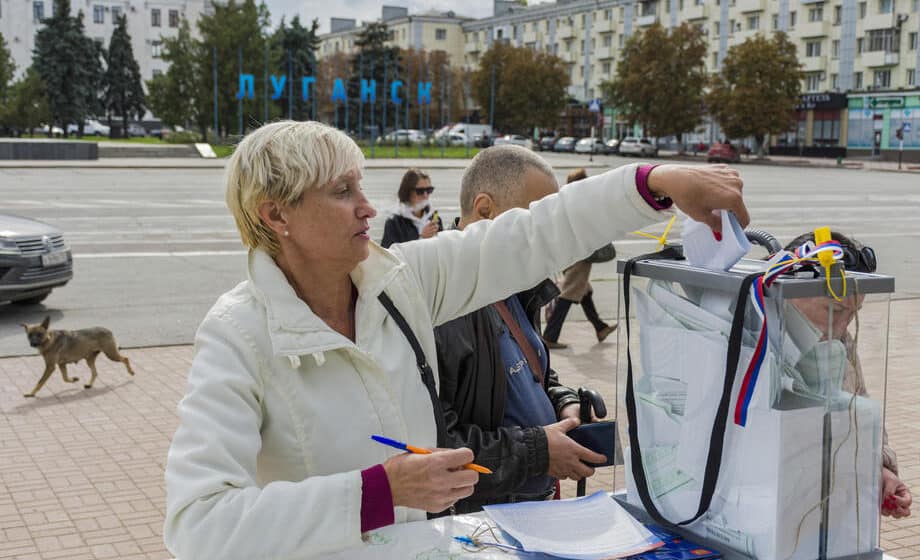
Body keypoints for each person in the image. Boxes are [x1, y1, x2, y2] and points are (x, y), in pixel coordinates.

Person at [162, 119, 749, 559]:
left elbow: (533, 235)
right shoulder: (236, 334)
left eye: (361, 185)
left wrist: (653, 181)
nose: (369, 208)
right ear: (276, 215)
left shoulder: (400, 280)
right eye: (342, 192)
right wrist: (378, 492)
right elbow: (198, 524)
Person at [435, 147, 607, 513]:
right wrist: (539, 452)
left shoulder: (516, 282)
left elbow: (527, 371)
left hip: (530, 508)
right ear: (485, 211)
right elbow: (437, 446)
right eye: (537, 221)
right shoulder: (441, 304)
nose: (548, 237)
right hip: (482, 523)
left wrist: (562, 401)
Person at [783, 231, 911, 520]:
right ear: (789, 289)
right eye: (833, 310)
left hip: (829, 512)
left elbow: (859, 407)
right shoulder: (755, 342)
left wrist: (880, 469)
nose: (841, 326)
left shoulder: (840, 341)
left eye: (852, 314)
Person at [543, 169, 618, 349]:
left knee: (584, 290)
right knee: (570, 291)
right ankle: (549, 336)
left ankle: (600, 328)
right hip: (579, 254)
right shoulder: (579, 202)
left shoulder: (565, 199)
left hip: (569, 252)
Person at [380, 168, 443, 248]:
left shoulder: (435, 218)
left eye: (429, 190)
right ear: (407, 192)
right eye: (420, 191)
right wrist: (421, 238)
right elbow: (389, 255)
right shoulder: (394, 222)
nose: (425, 195)